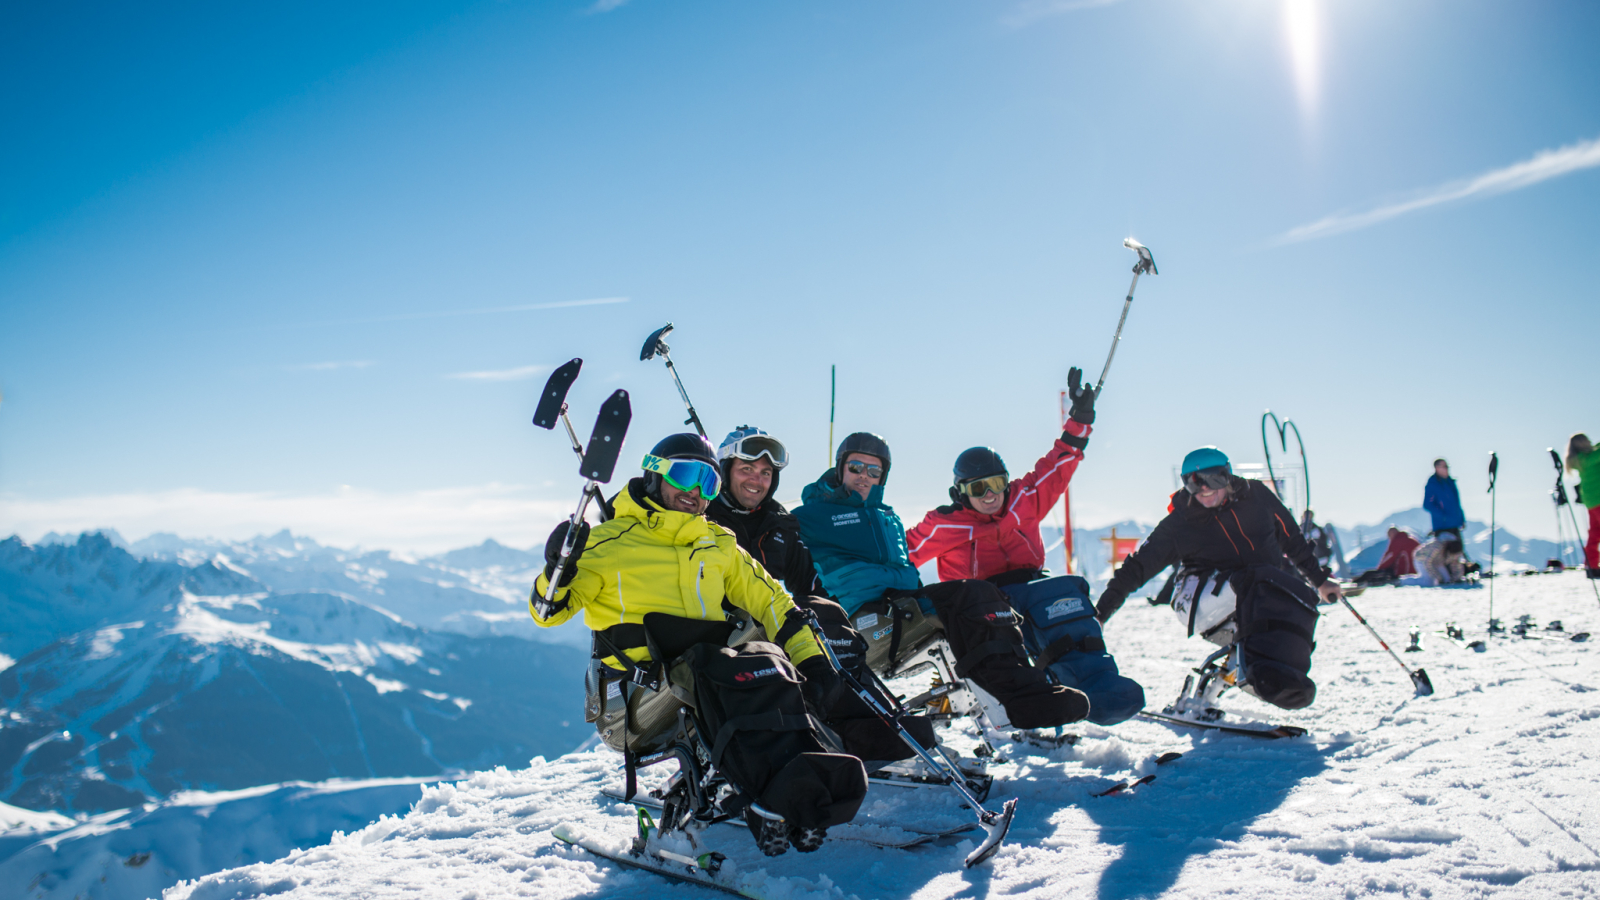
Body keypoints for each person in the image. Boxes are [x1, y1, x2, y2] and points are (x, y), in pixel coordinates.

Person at [530, 433, 866, 856]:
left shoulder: (719, 543)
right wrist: (557, 568)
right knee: (734, 671)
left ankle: (804, 786)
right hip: (632, 700)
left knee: (770, 663)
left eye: (708, 482)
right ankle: (769, 799)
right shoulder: (605, 542)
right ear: (654, 476)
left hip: (704, 678)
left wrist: (812, 663)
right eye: (686, 475)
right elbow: (547, 613)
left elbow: (774, 603)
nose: (695, 491)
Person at [793, 432, 1089, 731]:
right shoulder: (812, 515)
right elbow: (766, 536)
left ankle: (1023, 696)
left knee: (984, 598)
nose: (864, 477)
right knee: (973, 595)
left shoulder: (885, 516)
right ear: (840, 467)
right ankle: (1020, 700)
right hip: (864, 618)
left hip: (900, 603)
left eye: (874, 470)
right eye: (856, 467)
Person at [903, 368, 1144, 726]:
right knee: (1023, 609)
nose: (990, 496)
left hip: (1030, 585)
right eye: (977, 488)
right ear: (960, 492)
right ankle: (1038, 694)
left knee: (1067, 592)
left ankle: (1094, 680)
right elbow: (901, 553)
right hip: (980, 599)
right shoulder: (945, 523)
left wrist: (1080, 419)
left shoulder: (1023, 499)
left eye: (996, 483)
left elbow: (1060, 464)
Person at [705, 425, 937, 765]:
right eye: (746, 469)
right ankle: (851, 736)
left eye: (766, 472)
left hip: (768, 624)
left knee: (824, 616)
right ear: (725, 472)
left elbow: (810, 584)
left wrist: (838, 621)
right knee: (815, 622)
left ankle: (876, 726)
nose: (757, 479)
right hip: (722, 631)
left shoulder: (778, 524)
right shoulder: (705, 518)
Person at [1094, 446, 1341, 710]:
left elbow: (1293, 541)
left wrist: (1320, 582)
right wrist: (1101, 613)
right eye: (1192, 482)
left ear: (1228, 476)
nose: (1203, 489)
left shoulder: (1257, 496)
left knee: (1295, 596)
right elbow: (1137, 568)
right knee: (1258, 580)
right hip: (1197, 600)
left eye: (1213, 479)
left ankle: (1252, 686)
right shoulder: (1180, 523)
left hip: (1254, 596)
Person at [1565, 433, 1598, 578]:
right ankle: (1591, 566)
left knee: (1595, 534)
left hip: (1591, 501)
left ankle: (1591, 566)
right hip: (1598, 499)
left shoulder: (1579, 460)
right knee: (1595, 534)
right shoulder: (1588, 459)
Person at [1353, 526, 1420, 585]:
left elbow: (1389, 556)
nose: (1389, 538)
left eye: (1389, 536)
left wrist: (1379, 569)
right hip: (1416, 572)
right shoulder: (1411, 540)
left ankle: (1356, 582)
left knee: (1370, 574)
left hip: (1403, 573)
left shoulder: (1398, 540)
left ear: (1392, 534)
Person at [1423, 459, 1466, 540]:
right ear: (1437, 468)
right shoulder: (1433, 483)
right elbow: (1427, 504)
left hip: (1455, 525)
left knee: (1458, 550)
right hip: (1442, 527)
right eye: (1444, 466)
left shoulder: (1450, 482)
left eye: (1447, 467)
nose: (1447, 469)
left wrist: (1461, 518)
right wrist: (1443, 516)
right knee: (1447, 551)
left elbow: (1456, 503)